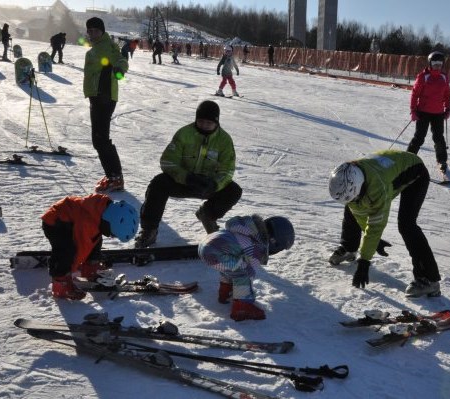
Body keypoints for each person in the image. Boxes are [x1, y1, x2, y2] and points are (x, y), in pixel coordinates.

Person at [328, 149, 442, 298]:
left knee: (407, 225)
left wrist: (364, 262)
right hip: (390, 170)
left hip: (415, 173)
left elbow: (376, 224)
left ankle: (429, 280)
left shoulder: (377, 187)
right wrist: (373, 243)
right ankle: (349, 247)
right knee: (352, 206)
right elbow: (360, 214)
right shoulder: (348, 174)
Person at [133, 100, 242, 248]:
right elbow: (168, 161)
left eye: (209, 123)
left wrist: (215, 184)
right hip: (185, 181)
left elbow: (227, 170)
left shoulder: (224, 140)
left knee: (233, 190)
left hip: (208, 186)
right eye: (201, 121)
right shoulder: (184, 134)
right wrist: (186, 177)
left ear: (217, 122)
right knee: (158, 183)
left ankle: (208, 215)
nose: (204, 125)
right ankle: (149, 230)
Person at [41, 194, 139, 299]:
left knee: (96, 240)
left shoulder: (101, 211)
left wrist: (92, 262)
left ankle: (90, 267)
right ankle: (61, 284)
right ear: (109, 223)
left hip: (71, 221)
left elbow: (91, 241)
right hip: (56, 223)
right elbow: (81, 249)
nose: (111, 237)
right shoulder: (87, 222)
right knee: (67, 250)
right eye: (113, 234)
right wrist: (71, 267)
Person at [199, 215, 295, 321]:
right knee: (243, 273)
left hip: (206, 245)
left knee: (234, 267)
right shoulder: (256, 247)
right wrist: (247, 294)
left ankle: (225, 290)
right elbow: (249, 273)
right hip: (215, 252)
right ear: (274, 242)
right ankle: (242, 307)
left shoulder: (248, 232)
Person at [84, 17, 129, 193]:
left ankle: (116, 177)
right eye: (90, 31)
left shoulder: (107, 45)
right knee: (99, 138)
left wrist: (119, 71)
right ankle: (112, 176)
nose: (92, 33)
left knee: (100, 138)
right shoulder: (95, 48)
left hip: (105, 96)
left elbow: (121, 60)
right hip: (97, 96)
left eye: (95, 30)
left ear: (102, 31)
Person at [407, 51, 450, 176]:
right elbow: (414, 94)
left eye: (440, 63)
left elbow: (447, 95)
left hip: (438, 113)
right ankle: (407, 159)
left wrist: (448, 109)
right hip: (423, 112)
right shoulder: (423, 76)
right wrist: (413, 110)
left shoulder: (444, 77)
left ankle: (442, 160)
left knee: (439, 138)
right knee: (419, 137)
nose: (437, 66)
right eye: (435, 63)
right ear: (430, 63)